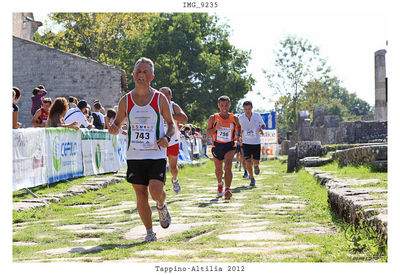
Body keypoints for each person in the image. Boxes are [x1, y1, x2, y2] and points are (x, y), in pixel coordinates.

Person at [108, 57, 175, 243]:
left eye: (145, 72)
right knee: (141, 194)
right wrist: (113, 128)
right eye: (138, 71)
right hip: (135, 155)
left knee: (155, 191)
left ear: (152, 76)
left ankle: (161, 205)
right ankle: (149, 232)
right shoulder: (126, 101)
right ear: (133, 74)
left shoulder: (159, 99)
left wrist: (167, 138)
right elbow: (116, 124)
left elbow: (171, 124)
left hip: (156, 154)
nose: (141, 75)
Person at [206, 95, 240, 199]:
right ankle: (220, 183)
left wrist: (238, 136)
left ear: (229, 105)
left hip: (230, 145)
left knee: (228, 166)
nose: (224, 108)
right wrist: (215, 128)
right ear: (218, 106)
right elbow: (208, 133)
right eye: (222, 105)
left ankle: (228, 189)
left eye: (226, 105)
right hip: (217, 146)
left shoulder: (234, 118)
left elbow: (239, 127)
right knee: (219, 170)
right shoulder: (213, 118)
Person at [159, 87, 188, 195]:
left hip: (173, 140)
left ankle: (175, 180)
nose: (164, 97)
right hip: (160, 140)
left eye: (166, 95)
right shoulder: (155, 105)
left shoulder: (173, 106)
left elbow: (184, 118)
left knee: (173, 168)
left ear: (170, 96)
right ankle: (160, 187)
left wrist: (169, 115)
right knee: (159, 166)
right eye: (162, 94)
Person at [238, 101, 266, 187]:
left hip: (256, 142)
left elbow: (263, 125)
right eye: (246, 109)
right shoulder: (241, 117)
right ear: (243, 109)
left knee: (256, 161)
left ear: (252, 108)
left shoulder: (257, 116)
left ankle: (256, 166)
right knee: (247, 161)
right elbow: (238, 128)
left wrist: (261, 128)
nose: (247, 111)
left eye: (249, 109)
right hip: (246, 142)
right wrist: (239, 136)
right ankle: (252, 178)